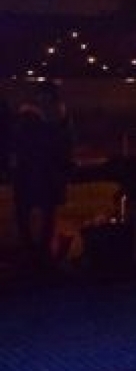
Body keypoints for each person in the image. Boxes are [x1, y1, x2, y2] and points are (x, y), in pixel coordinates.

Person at [12, 82, 74, 271]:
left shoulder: (28, 120)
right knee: (44, 215)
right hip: (43, 174)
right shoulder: (52, 119)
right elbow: (62, 142)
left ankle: (35, 253)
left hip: (33, 174)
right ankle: (40, 254)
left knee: (29, 215)